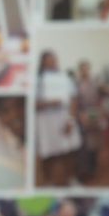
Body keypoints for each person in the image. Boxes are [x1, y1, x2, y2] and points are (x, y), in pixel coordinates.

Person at [36, 51, 82, 186]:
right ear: (43, 62)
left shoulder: (65, 78)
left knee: (70, 152)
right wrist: (49, 103)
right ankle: (51, 183)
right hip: (46, 122)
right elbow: (31, 103)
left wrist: (71, 120)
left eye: (55, 59)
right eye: (50, 60)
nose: (53, 62)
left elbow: (74, 100)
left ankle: (71, 179)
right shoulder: (37, 80)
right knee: (51, 156)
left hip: (65, 118)